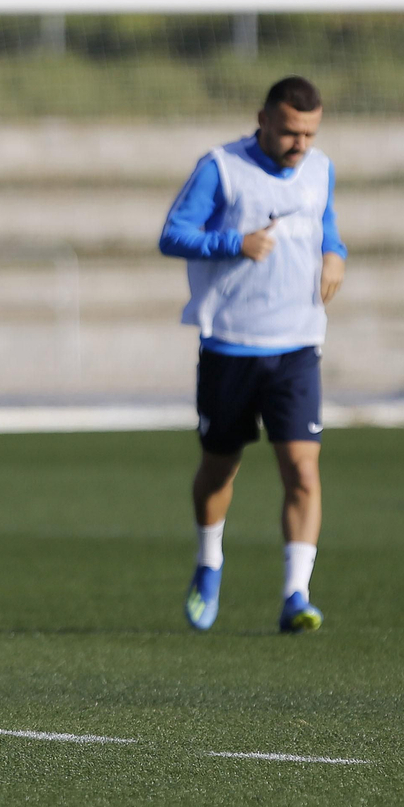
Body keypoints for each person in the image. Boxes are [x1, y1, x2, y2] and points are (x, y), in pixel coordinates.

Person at [158, 75, 346, 635]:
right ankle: (209, 564)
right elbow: (173, 234)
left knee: (303, 471)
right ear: (262, 119)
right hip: (230, 345)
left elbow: (326, 226)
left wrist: (335, 254)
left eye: (309, 134)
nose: (300, 145)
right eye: (290, 132)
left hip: (298, 345)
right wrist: (232, 243)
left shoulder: (320, 169)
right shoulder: (220, 167)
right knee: (220, 468)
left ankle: (296, 594)